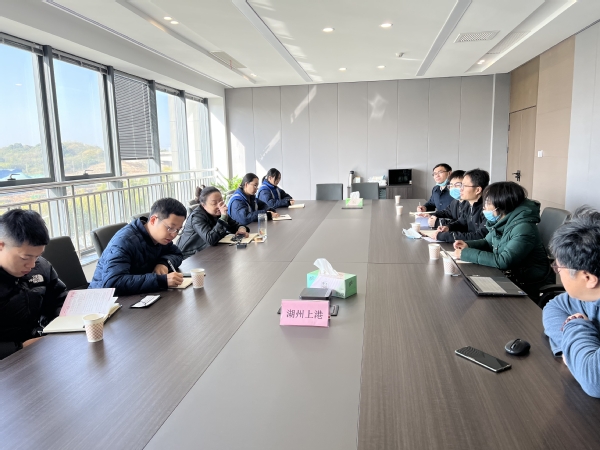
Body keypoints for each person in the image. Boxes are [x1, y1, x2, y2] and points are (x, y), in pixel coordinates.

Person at [453, 181, 552, 299]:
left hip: (527, 286)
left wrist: (465, 253)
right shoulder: (503, 221)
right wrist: (467, 245)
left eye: (488, 202)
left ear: (502, 204)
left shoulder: (524, 228)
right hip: (508, 277)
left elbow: (504, 261)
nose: (484, 207)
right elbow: (487, 242)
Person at [542, 206, 600, 398]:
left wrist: (575, 325)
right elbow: (554, 306)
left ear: (588, 278)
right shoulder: (591, 295)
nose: (557, 271)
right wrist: (575, 354)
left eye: (559, 267)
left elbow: (594, 381)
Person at [0, 210, 68, 359]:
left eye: (37, 256)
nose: (31, 265)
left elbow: (58, 300)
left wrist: (63, 323)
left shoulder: (41, 266)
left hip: (39, 349)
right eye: (25, 258)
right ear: (1, 246)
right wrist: (19, 347)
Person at [89, 198, 187, 296]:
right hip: (103, 299)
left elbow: (177, 254)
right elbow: (113, 282)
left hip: (135, 295)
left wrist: (163, 263)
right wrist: (160, 281)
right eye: (170, 228)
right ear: (153, 220)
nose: (174, 235)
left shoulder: (161, 238)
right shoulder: (125, 241)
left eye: (178, 230)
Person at [178, 186, 250, 258]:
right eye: (214, 203)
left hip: (209, 252)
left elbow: (235, 226)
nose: (219, 206)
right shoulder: (197, 217)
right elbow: (211, 239)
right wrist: (223, 217)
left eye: (221, 201)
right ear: (203, 205)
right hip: (189, 256)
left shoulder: (218, 212)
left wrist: (242, 229)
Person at [431, 168, 489, 243]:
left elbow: (480, 236)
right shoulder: (468, 204)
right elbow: (461, 223)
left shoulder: (488, 209)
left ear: (477, 190)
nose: (461, 189)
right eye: (461, 185)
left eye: (464, 186)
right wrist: (448, 227)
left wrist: (446, 236)